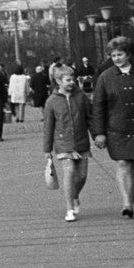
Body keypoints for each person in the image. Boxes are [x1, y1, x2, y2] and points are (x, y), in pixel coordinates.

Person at [91, 36, 134, 218]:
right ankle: (126, 203)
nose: (116, 58)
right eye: (113, 55)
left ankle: (132, 198)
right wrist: (98, 133)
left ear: (129, 54)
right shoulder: (105, 78)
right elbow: (97, 107)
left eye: (119, 54)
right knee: (122, 162)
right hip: (116, 129)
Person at [43, 64, 92, 221]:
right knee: (69, 173)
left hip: (82, 141)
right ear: (58, 81)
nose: (72, 82)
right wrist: (47, 148)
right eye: (68, 80)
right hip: (63, 143)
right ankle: (69, 208)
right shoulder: (52, 101)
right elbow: (48, 126)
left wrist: (97, 135)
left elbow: (89, 118)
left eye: (73, 79)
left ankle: (74, 195)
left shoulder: (81, 97)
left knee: (82, 175)